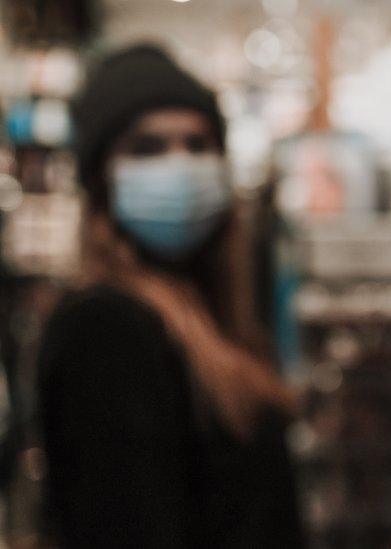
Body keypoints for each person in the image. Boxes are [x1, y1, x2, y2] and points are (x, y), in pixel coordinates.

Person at [35, 45, 305, 548]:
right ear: (101, 179)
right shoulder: (105, 329)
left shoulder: (212, 315)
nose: (180, 164)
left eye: (199, 143)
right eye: (147, 148)